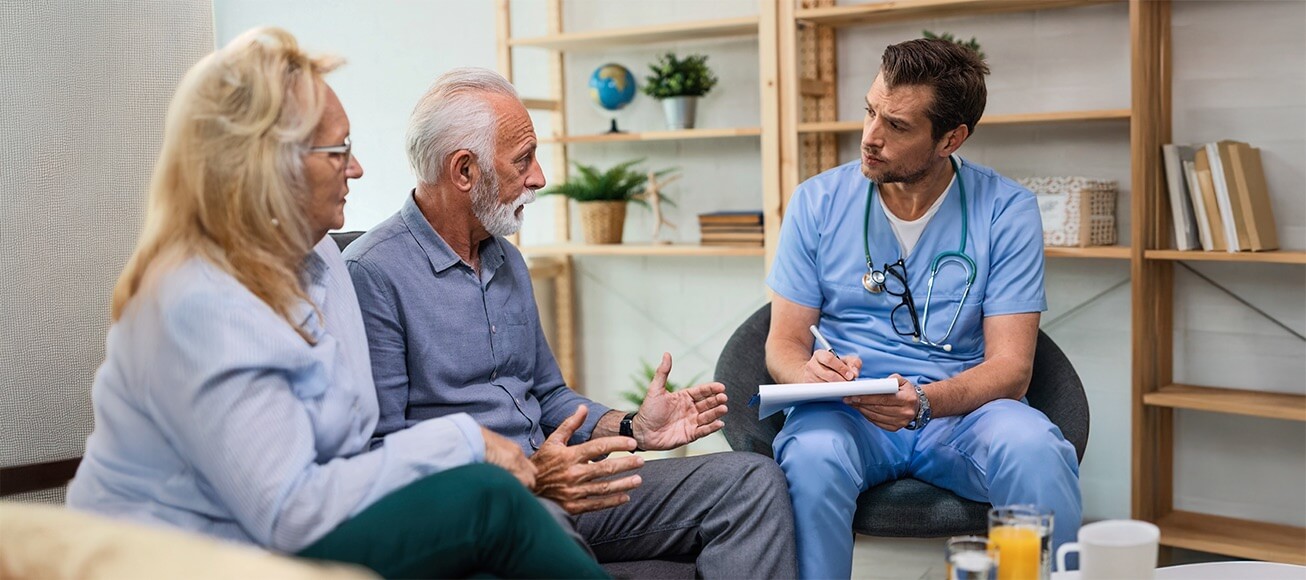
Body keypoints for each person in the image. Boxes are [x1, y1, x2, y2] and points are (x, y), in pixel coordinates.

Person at [65, 28, 607, 579]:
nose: (357, 169)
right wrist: (465, 442)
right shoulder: (197, 303)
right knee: (493, 502)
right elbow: (290, 511)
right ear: (269, 164)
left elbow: (351, 455)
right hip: (189, 557)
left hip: (301, 530)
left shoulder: (321, 257)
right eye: (339, 149)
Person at [342, 67, 797, 578]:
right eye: (523, 160)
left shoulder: (506, 260)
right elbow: (382, 448)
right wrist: (526, 478)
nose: (539, 177)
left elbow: (549, 395)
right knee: (539, 525)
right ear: (464, 171)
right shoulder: (371, 274)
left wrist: (632, 427)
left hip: (565, 483)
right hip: (490, 506)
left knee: (752, 484)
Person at [764, 38, 1082, 579]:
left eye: (897, 125)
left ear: (950, 138)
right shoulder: (816, 203)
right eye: (869, 112)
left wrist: (927, 402)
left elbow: (1012, 368)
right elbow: (783, 345)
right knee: (812, 459)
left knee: (1036, 450)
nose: (870, 137)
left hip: (962, 414)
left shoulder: (1006, 210)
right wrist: (813, 377)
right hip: (848, 413)